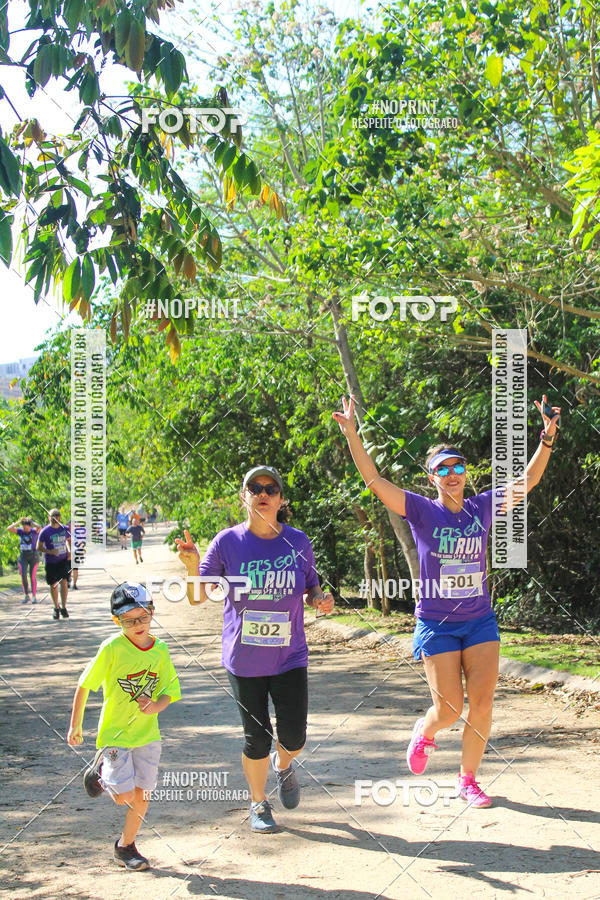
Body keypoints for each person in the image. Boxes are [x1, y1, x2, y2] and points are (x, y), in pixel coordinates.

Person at [333, 393, 561, 808]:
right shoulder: (421, 511)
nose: (452, 473)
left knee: (484, 702)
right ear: (432, 477)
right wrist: (352, 433)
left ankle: (467, 778)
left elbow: (527, 481)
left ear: (465, 473)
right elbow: (374, 482)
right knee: (451, 709)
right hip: (436, 624)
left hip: (479, 621)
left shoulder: (482, 506)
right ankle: (426, 731)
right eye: (443, 468)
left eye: (458, 466)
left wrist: (546, 437)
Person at [176, 465, 334, 834]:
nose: (263, 492)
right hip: (244, 659)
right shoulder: (226, 542)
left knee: (294, 737)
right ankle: (258, 802)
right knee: (257, 737)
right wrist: (190, 567)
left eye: (271, 488)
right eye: (255, 487)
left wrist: (321, 599)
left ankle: (283, 766)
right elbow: (199, 597)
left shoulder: (298, 541)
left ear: (281, 499)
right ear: (244, 496)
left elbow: (312, 588)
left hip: (289, 655)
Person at [66, 582, 180, 870]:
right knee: (123, 797)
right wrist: (75, 726)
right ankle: (102, 772)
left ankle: (125, 846)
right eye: (129, 620)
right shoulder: (112, 648)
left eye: (143, 617)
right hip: (116, 735)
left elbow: (169, 690)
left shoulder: (161, 650)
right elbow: (84, 685)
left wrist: (157, 705)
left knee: (142, 794)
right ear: (116, 620)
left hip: (148, 735)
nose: (138, 624)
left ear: (152, 613)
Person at [38, 508, 71, 620]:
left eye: (57, 515)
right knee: (53, 584)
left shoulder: (65, 529)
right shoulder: (45, 531)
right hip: (51, 561)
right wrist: (50, 551)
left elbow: (69, 540)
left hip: (63, 560)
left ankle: (64, 607)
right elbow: (39, 547)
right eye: (52, 515)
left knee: (64, 582)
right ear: (49, 517)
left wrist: (70, 551)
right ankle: (56, 607)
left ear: (59, 517)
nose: (55, 517)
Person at [7, 516, 41, 603]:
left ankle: (34, 596)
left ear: (30, 526)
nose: (26, 529)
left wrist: (31, 521)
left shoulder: (34, 531)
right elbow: (9, 528)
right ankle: (26, 595)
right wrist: (19, 521)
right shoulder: (20, 532)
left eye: (27, 527)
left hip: (33, 556)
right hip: (23, 557)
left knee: (32, 576)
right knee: (23, 575)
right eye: (24, 527)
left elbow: (39, 527)